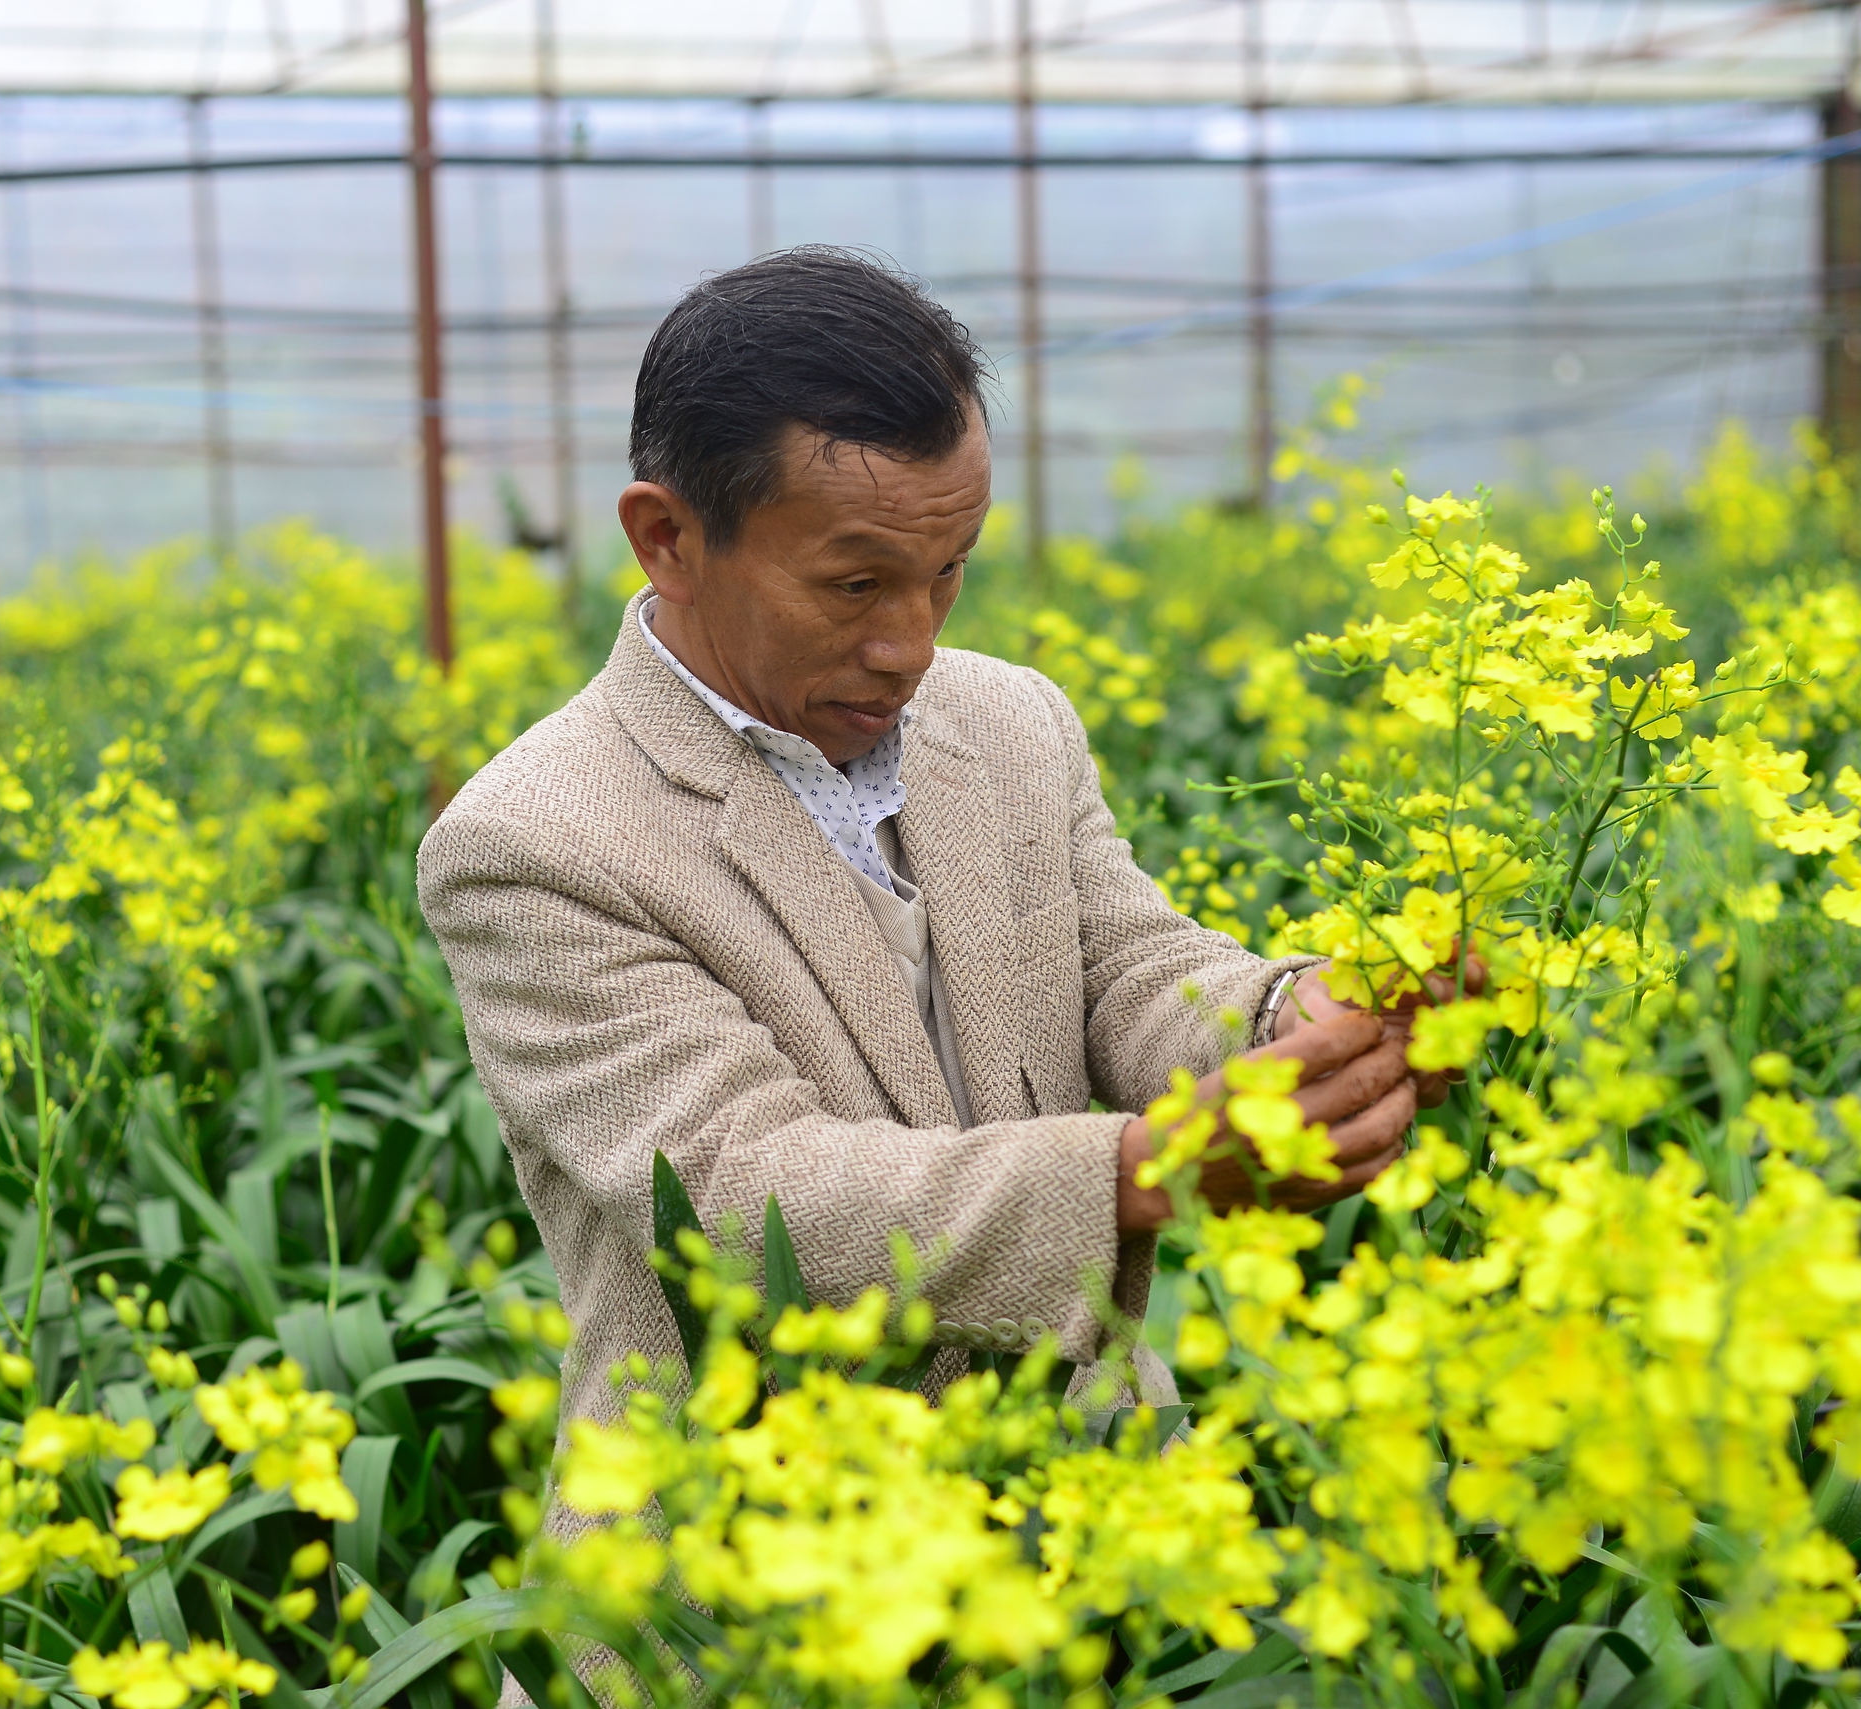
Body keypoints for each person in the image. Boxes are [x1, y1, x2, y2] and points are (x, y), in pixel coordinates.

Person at [417, 246, 1422, 1431]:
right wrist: (1143, 1172)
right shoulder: (534, 842)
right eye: (854, 585)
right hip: (756, 1568)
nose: (910, 643)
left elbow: (1126, 975)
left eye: (947, 574)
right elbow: (750, 1199)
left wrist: (1300, 1021)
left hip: (1101, 1510)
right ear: (668, 539)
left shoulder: (1009, 720)